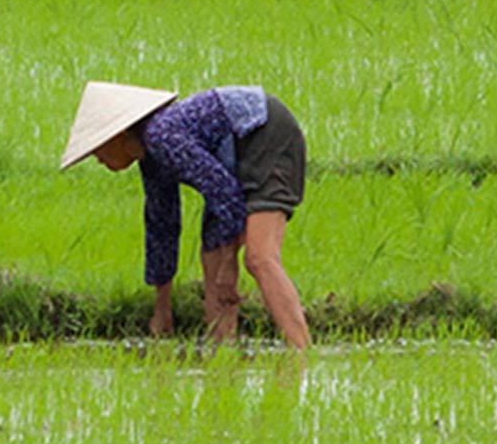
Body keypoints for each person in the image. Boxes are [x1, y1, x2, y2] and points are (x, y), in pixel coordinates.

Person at [60, 81, 311, 350]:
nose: (98, 159)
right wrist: (162, 308)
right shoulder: (151, 159)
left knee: (259, 257)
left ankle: (301, 353)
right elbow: (162, 225)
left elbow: (223, 191)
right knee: (211, 257)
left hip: (263, 133)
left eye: (98, 149)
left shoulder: (162, 137)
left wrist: (230, 262)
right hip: (229, 158)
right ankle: (222, 356)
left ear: (119, 135)